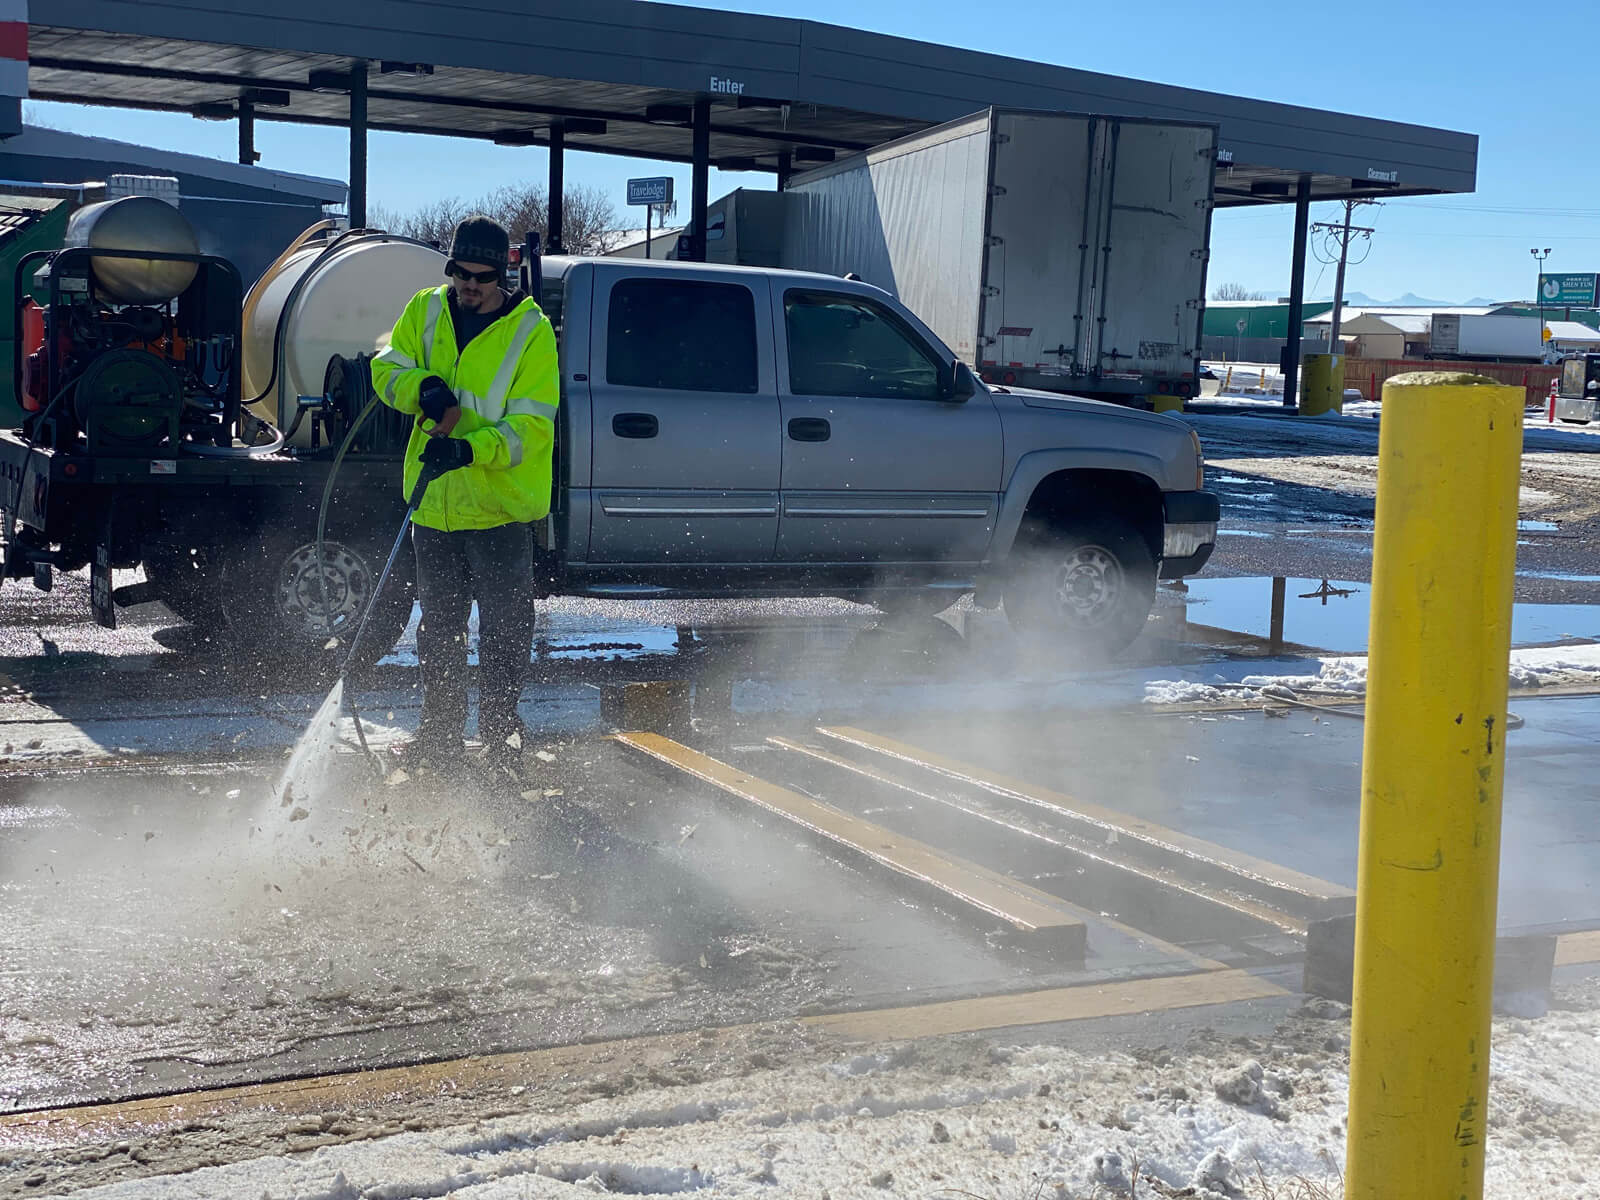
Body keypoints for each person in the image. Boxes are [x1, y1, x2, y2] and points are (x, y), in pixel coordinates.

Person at [370, 215, 558, 786]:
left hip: (498, 509)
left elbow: (532, 427)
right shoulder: (425, 309)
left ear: (503, 275)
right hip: (435, 508)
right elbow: (387, 365)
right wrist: (421, 386)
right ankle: (439, 737)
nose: (468, 285)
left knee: (504, 632)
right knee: (439, 630)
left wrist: (470, 450)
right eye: (459, 273)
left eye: (481, 276)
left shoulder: (531, 332)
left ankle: (501, 739)